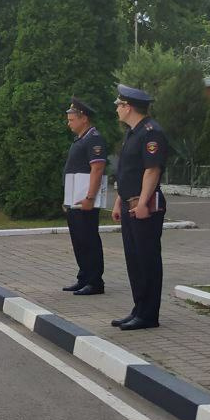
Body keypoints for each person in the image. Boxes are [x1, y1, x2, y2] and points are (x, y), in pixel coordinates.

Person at [112, 84, 169, 331]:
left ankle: (148, 315)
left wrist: (143, 202)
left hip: (143, 205)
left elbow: (152, 170)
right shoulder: (133, 133)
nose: (117, 109)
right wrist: (118, 201)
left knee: (147, 260)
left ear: (129, 107)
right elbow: (128, 172)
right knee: (134, 260)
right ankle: (139, 309)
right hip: (129, 204)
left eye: (119, 105)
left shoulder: (151, 132)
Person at [61, 99, 108, 296]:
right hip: (75, 200)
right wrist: (67, 199)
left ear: (84, 119)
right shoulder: (81, 138)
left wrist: (90, 197)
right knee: (79, 240)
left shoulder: (93, 138)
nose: (69, 123)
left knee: (88, 239)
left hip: (85, 200)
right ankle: (84, 277)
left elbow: (97, 169)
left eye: (72, 119)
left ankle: (95, 281)